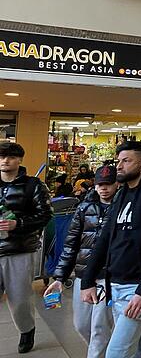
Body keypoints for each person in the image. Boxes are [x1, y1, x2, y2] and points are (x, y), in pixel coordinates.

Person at [81, 141, 141, 358]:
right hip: (115, 282)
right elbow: (106, 238)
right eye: (119, 161)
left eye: (126, 161)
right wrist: (88, 279)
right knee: (136, 350)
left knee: (116, 352)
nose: (120, 166)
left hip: (136, 288)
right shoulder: (123, 192)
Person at [46, 165, 119, 358]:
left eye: (108, 184)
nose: (104, 188)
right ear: (94, 185)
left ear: (117, 184)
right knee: (81, 325)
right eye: (100, 184)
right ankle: (111, 349)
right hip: (83, 275)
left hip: (108, 276)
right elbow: (70, 245)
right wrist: (59, 277)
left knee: (99, 328)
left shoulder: (123, 208)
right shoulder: (84, 208)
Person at [0, 142, 54, 354]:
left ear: (20, 160)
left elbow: (46, 215)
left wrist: (18, 224)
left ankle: (26, 330)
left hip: (20, 250)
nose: (5, 160)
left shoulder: (34, 185)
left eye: (11, 156)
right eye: (2, 156)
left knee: (20, 299)